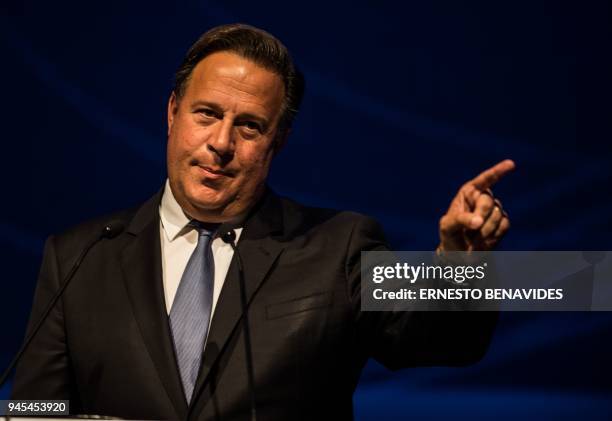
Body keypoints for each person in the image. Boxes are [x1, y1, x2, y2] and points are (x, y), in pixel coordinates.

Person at [11, 23, 514, 420]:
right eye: (206, 114)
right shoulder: (78, 256)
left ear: (279, 140)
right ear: (172, 113)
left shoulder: (338, 247)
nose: (222, 143)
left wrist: (457, 262)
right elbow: (34, 408)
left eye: (249, 126)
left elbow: (443, 341)